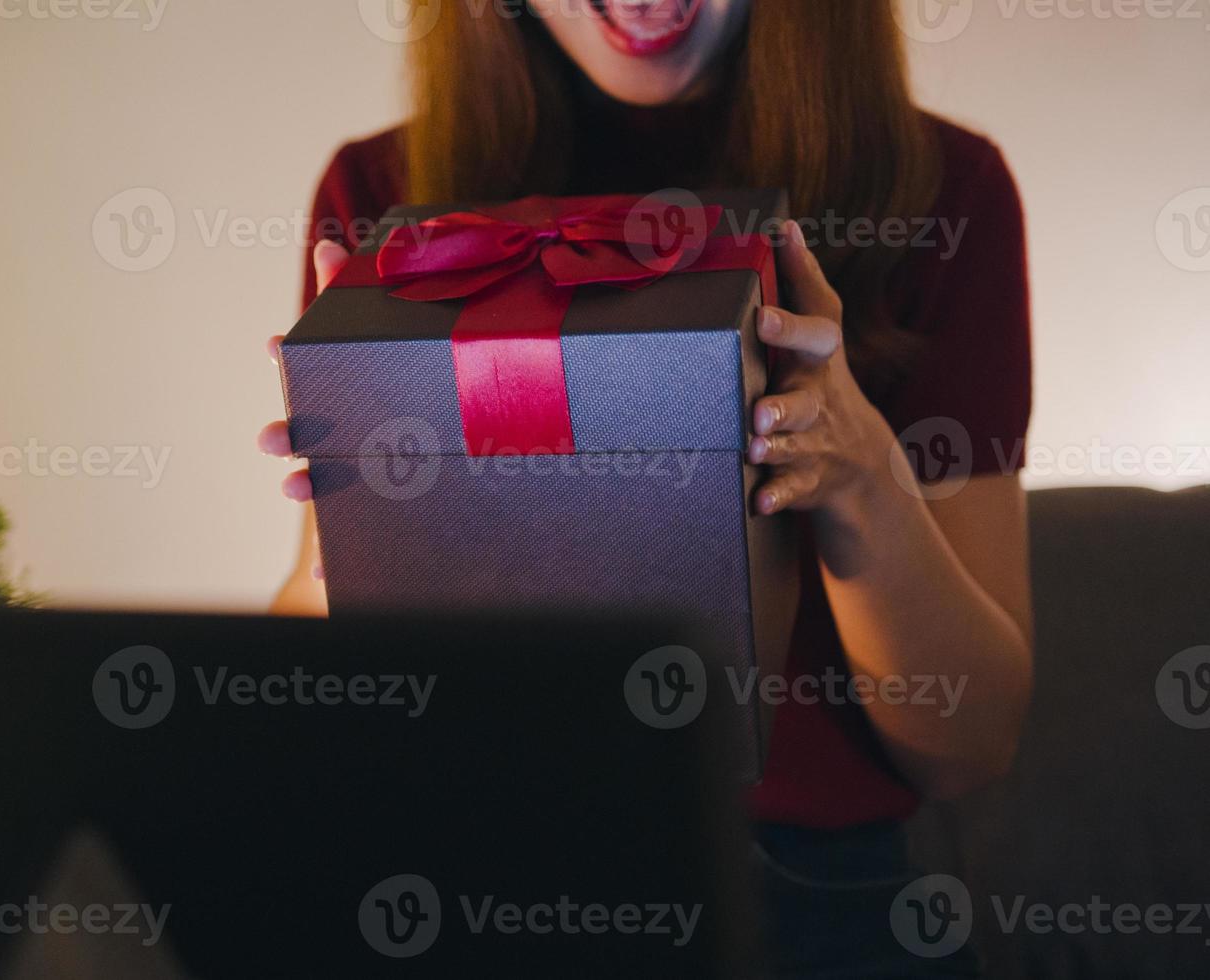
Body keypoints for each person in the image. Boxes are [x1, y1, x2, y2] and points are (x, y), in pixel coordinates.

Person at [259, 1, 1034, 975]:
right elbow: (315, 665)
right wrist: (362, 549)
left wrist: (861, 476)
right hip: (476, 870)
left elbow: (968, 743)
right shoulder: (382, 197)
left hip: (806, 893)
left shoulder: (939, 193)